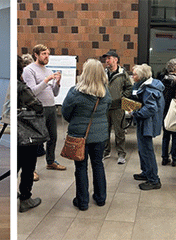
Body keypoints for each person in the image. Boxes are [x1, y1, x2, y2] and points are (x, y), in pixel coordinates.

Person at [62, 59, 112, 210]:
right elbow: (107, 109)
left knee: (81, 167)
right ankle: (100, 198)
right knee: (98, 165)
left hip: (79, 136)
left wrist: (77, 121)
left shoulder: (75, 92)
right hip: (100, 135)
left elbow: (65, 113)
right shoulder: (105, 93)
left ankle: (82, 202)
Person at [22, 44, 68, 171]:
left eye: (48, 54)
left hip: (51, 107)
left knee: (53, 136)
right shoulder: (29, 70)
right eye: (43, 54)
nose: (46, 56)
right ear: (36, 55)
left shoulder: (48, 70)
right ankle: (32, 169)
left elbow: (54, 93)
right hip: (37, 109)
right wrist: (46, 80)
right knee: (36, 141)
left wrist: (57, 83)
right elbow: (32, 92)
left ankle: (51, 161)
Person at [17, 54, 46, 212]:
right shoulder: (21, 88)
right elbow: (38, 106)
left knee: (16, 164)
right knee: (28, 166)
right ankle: (25, 199)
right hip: (25, 134)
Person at [129, 64, 164, 190]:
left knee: (147, 151)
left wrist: (135, 113)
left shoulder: (149, 88)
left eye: (135, 74)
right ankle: (146, 172)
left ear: (142, 76)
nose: (133, 76)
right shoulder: (146, 85)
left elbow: (150, 108)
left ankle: (154, 180)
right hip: (144, 122)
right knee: (142, 149)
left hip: (147, 123)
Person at [102, 50, 131, 164]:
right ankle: (106, 151)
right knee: (105, 131)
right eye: (106, 59)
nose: (107, 61)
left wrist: (122, 97)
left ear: (116, 60)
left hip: (118, 107)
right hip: (105, 107)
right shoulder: (103, 73)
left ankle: (121, 154)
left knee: (119, 132)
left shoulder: (123, 73)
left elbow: (129, 88)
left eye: (109, 58)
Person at [160, 58, 176, 167]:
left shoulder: (163, 78)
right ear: (175, 68)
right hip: (174, 111)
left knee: (166, 135)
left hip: (165, 110)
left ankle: (164, 158)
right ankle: (175, 158)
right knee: (175, 135)